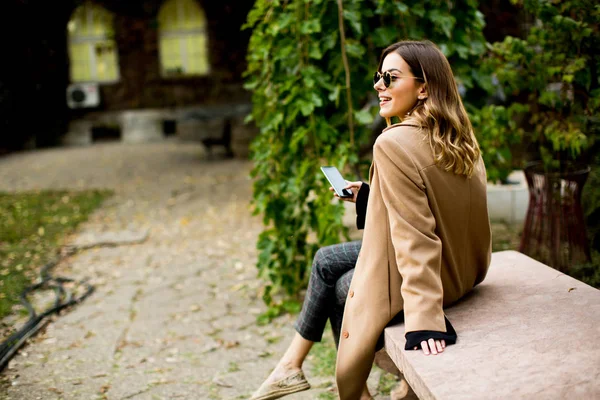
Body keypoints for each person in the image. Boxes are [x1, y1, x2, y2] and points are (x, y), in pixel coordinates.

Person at [251, 40, 491, 400]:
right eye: (379, 77)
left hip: (437, 276)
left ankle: (349, 387)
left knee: (346, 284)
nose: (379, 85)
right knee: (327, 261)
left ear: (423, 87)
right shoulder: (457, 135)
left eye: (390, 78)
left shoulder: (393, 144)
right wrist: (367, 194)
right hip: (465, 269)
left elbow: (417, 237)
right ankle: (294, 368)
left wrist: (426, 323)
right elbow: (439, 202)